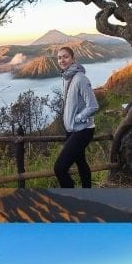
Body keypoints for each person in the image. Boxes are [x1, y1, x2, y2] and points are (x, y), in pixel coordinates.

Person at [53, 46, 99, 188]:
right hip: (72, 130)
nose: (62, 60)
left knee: (59, 168)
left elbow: (93, 106)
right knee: (81, 162)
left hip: (83, 130)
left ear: (73, 59)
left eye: (65, 56)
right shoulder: (67, 77)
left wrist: (77, 118)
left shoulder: (80, 78)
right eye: (59, 57)